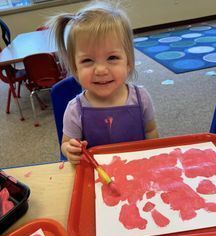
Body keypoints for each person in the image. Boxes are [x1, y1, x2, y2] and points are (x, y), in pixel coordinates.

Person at [49, 0, 158, 165]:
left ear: (128, 62)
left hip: (138, 169)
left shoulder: (141, 98)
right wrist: (70, 150)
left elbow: (151, 131)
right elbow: (65, 144)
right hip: (97, 176)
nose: (100, 70)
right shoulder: (75, 109)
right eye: (87, 60)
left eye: (112, 58)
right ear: (75, 68)